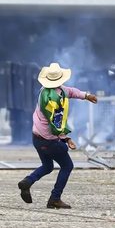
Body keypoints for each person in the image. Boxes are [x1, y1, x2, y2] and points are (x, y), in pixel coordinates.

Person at [17, 63, 98, 209]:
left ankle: (27, 182)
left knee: (48, 166)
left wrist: (86, 95)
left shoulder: (47, 90)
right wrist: (66, 139)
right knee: (67, 165)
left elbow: (70, 91)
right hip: (49, 140)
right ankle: (55, 198)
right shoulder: (52, 101)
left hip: (37, 138)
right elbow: (56, 123)